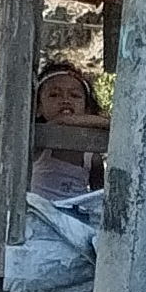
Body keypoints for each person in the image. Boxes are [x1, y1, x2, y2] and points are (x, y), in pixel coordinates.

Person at [26, 59, 108, 205]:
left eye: (75, 95)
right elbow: (58, 123)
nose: (65, 100)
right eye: (54, 95)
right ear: (38, 108)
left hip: (76, 221)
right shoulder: (39, 143)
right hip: (41, 215)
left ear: (87, 108)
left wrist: (70, 120)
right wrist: (68, 119)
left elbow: (99, 198)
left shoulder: (91, 157)